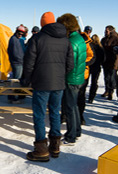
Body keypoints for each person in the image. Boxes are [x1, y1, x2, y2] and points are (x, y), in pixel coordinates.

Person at [22, 11, 73, 162]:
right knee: (55, 113)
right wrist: (59, 74)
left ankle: (41, 150)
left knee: (39, 115)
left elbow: (29, 63)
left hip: (41, 83)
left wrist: (27, 79)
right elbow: (70, 64)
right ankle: (55, 146)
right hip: (58, 83)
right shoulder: (65, 40)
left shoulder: (37, 38)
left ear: (43, 23)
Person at [57, 13, 87, 146]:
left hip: (71, 79)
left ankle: (70, 136)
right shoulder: (79, 39)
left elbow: (69, 63)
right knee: (74, 105)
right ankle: (77, 130)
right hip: (78, 77)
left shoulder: (71, 42)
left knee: (69, 107)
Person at [76, 29, 95, 125]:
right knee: (67, 95)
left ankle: (80, 116)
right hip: (69, 73)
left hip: (83, 73)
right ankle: (65, 115)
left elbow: (92, 57)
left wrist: (82, 63)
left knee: (80, 95)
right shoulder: (68, 39)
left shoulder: (87, 41)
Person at [7, 25, 28, 103]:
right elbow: (16, 54)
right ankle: (12, 97)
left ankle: (15, 95)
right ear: (16, 32)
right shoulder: (14, 40)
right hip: (18, 63)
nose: (20, 35)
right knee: (16, 81)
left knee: (16, 80)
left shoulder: (15, 39)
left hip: (18, 62)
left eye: (21, 34)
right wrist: (22, 60)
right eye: (19, 34)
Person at [100, 25, 118, 100]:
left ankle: (111, 92)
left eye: (107, 31)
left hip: (113, 62)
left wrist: (109, 49)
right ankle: (107, 90)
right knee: (106, 77)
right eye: (105, 31)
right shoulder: (103, 39)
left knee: (112, 78)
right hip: (105, 61)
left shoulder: (117, 39)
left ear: (111, 31)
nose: (105, 32)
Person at [87, 34, 105, 104]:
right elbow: (104, 58)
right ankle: (92, 96)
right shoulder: (101, 48)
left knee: (86, 82)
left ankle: (82, 95)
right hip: (97, 67)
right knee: (94, 82)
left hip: (89, 66)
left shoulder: (90, 47)